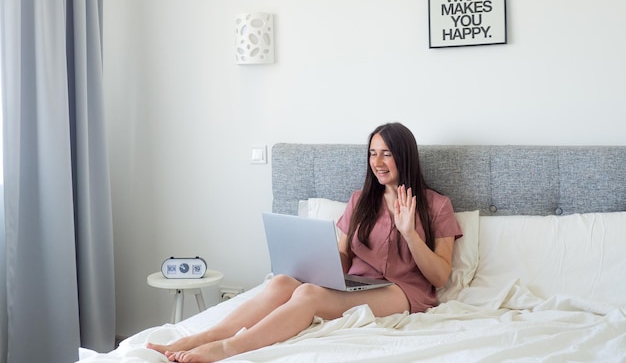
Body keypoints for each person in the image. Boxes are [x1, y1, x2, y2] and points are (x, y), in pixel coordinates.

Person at [148, 122, 462, 363]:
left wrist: (409, 233)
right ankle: (204, 336)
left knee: (308, 294)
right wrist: (319, 260)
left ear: (404, 156)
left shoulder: (436, 205)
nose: (377, 162)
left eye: (386, 153)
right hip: (357, 283)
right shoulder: (360, 200)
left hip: (402, 291)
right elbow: (343, 253)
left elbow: (439, 276)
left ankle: (229, 347)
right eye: (372, 153)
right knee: (283, 282)